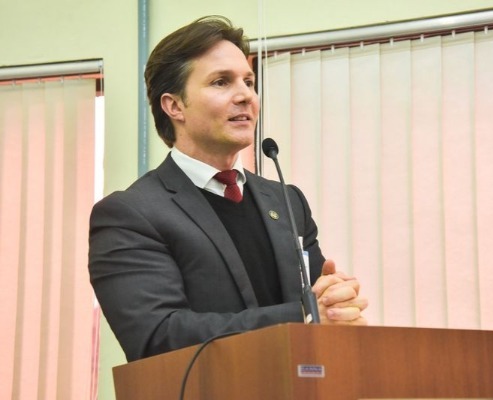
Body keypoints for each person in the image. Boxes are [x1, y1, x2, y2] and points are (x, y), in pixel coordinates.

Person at [88, 15, 368, 362]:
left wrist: (339, 305)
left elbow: (321, 308)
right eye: (221, 82)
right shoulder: (131, 214)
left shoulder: (287, 200)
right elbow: (158, 335)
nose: (245, 95)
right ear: (174, 106)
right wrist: (303, 316)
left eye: (249, 82)